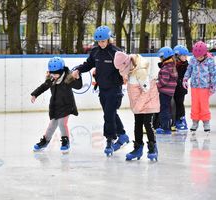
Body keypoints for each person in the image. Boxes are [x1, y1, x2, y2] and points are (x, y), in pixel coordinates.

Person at [71, 25, 129, 156]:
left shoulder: (116, 52)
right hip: (102, 89)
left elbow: (127, 66)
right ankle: (123, 135)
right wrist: (78, 70)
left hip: (114, 89)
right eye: (99, 41)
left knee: (108, 115)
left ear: (109, 39)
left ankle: (109, 140)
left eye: (103, 41)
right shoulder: (95, 51)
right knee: (111, 113)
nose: (101, 44)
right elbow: (88, 64)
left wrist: (125, 75)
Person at [114, 51, 159, 161]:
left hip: (148, 100)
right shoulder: (130, 66)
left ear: (127, 64)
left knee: (147, 123)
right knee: (137, 124)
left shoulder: (140, 71)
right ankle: (138, 148)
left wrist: (137, 107)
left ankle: (153, 147)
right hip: (139, 102)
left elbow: (146, 90)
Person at [31, 56, 82, 153]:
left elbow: (78, 86)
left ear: (62, 71)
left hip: (67, 105)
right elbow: (44, 87)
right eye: (52, 73)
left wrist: (78, 77)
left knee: (62, 123)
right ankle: (45, 141)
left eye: (56, 74)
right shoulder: (51, 79)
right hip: (55, 106)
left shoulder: (68, 78)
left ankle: (65, 141)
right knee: (52, 125)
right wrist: (35, 94)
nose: (53, 76)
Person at [183, 41, 216, 135]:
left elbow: (213, 74)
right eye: (196, 56)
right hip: (194, 86)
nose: (198, 58)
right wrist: (185, 79)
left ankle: (206, 123)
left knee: (204, 105)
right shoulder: (193, 59)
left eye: (200, 56)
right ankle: (195, 122)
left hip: (205, 87)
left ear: (205, 54)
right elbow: (189, 70)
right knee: (195, 105)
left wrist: (213, 85)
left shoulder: (210, 60)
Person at [156, 47, 178, 134]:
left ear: (164, 57)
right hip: (169, 92)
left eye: (161, 57)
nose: (160, 59)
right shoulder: (172, 66)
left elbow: (164, 81)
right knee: (166, 109)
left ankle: (165, 128)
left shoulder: (165, 68)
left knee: (164, 110)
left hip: (164, 92)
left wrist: (156, 84)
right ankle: (166, 127)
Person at [172, 45, 189, 132]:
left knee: (180, 103)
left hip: (181, 88)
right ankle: (174, 120)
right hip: (173, 88)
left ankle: (181, 119)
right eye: (184, 55)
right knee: (173, 104)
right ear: (177, 56)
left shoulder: (186, 65)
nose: (186, 57)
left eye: (186, 55)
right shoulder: (173, 65)